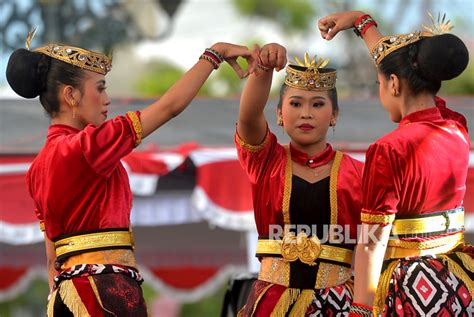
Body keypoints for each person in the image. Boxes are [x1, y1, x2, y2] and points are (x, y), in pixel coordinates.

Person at [6, 31, 254, 316]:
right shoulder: (89, 146)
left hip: (66, 294)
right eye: (100, 88)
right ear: (70, 95)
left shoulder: (37, 168)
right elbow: (169, 107)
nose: (107, 99)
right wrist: (214, 54)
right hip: (104, 291)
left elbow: (53, 260)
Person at [318, 11, 472, 316]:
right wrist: (362, 24)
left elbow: (371, 243)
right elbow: (403, 72)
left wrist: (361, 308)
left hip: (409, 288)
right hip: (456, 283)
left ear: (393, 83)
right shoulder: (457, 128)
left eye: (379, 83)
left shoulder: (388, 150)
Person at [235, 43, 364, 316]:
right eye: (295, 104)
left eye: (318, 104)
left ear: (334, 115)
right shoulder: (266, 161)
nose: (306, 113)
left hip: (341, 303)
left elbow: (372, 245)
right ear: (280, 114)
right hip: (273, 300)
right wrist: (263, 70)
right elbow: (247, 118)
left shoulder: (360, 173)